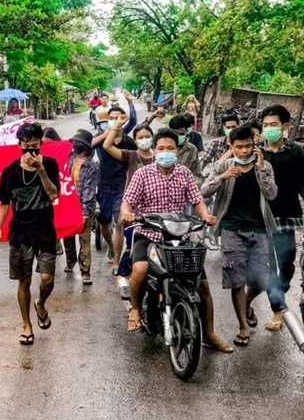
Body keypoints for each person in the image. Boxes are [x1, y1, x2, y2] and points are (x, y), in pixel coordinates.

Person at [120, 129, 232, 353]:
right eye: (161, 148)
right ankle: (134, 309)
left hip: (180, 235)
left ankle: (209, 333)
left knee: (201, 283)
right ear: (155, 150)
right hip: (149, 233)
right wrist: (127, 213)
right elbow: (128, 202)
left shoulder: (184, 173)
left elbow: (197, 200)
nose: (165, 152)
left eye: (170, 148)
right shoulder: (143, 174)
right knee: (140, 270)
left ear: (177, 150)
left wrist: (205, 216)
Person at [201, 126, 278, 347]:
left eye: (248, 146)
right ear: (230, 146)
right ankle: (243, 327)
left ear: (254, 145)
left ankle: (247, 305)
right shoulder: (224, 165)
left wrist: (261, 168)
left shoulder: (265, 166)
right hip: (231, 229)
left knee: (261, 280)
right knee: (237, 281)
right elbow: (203, 191)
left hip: (259, 229)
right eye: (239, 147)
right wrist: (222, 178)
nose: (244, 151)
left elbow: (272, 193)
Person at [0, 123, 60, 345]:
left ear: (41, 144)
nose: (31, 151)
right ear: (19, 145)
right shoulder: (10, 170)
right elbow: (3, 202)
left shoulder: (50, 164)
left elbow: (53, 194)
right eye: (26, 146)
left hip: (44, 229)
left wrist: (40, 170)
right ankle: (26, 324)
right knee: (23, 280)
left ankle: (40, 303)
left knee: (47, 278)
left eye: (35, 146)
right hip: (20, 231)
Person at [244, 105, 304, 330]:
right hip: (260, 219)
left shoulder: (297, 152)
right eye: (266, 125)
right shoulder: (256, 153)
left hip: (288, 217)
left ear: (285, 126)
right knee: (267, 267)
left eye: (274, 124)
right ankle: (279, 309)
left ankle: (252, 299)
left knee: (287, 265)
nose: (269, 129)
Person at [92, 107, 137, 273]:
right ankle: (111, 246)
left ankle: (116, 262)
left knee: (119, 224)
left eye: (118, 118)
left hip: (122, 187)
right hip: (103, 185)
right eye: (111, 118)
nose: (115, 120)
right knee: (104, 223)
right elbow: (84, 147)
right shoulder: (100, 138)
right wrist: (105, 135)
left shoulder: (129, 142)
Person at [63, 129, 99, 285]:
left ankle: (85, 271)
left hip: (84, 207)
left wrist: (85, 212)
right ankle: (70, 262)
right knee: (67, 237)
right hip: (68, 206)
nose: (75, 145)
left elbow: (89, 191)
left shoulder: (91, 165)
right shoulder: (68, 159)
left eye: (78, 143)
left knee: (84, 240)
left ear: (85, 146)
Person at [168, 114, 203, 184]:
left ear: (187, 132)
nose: (177, 136)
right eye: (174, 133)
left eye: (181, 134)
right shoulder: (162, 147)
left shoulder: (192, 150)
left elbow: (197, 174)